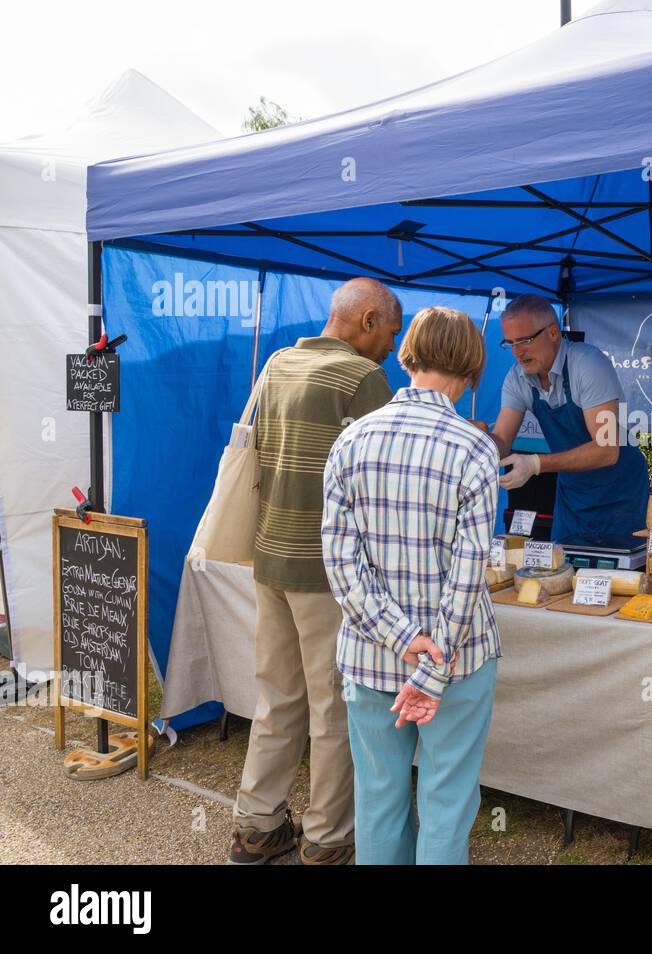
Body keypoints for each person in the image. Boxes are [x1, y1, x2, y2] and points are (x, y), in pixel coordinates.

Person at [228, 277, 402, 865]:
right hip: (328, 570)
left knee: (276, 697)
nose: (392, 349)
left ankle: (257, 825)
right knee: (333, 708)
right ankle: (327, 839)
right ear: (369, 319)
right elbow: (385, 481)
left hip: (269, 555)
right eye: (391, 333)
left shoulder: (277, 364)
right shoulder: (363, 379)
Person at [322, 306, 501, 866]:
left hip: (371, 656)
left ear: (408, 355)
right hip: (460, 660)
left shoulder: (351, 442)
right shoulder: (474, 450)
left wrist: (402, 639)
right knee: (446, 803)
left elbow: (341, 567)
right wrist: (431, 662)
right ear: (471, 370)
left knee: (378, 801)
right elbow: (467, 577)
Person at [488, 294, 649, 545]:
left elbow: (606, 450)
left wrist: (535, 464)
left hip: (620, 496)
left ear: (553, 333)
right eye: (510, 343)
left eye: (525, 340)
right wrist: (476, 440)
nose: (518, 352)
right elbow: (501, 442)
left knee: (619, 579)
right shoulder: (517, 378)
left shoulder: (588, 364)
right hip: (573, 496)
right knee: (563, 574)